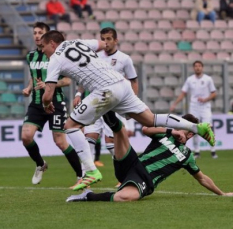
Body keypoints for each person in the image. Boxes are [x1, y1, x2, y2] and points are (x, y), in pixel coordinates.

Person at [40, 30, 215, 191]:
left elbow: (48, 94)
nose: (42, 51)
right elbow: (102, 44)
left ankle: (90, 171)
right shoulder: (77, 42)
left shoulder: (55, 58)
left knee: (70, 125)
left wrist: (46, 103)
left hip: (104, 89)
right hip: (121, 83)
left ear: (53, 44)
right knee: (150, 119)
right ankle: (196, 128)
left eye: (43, 46)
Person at [66, 111, 233, 202]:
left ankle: (87, 196)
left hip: (145, 180)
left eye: (189, 132)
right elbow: (146, 129)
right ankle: (107, 108)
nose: (186, 133)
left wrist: (222, 193)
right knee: (120, 131)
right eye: (185, 128)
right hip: (132, 164)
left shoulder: (187, 156)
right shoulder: (166, 135)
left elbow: (202, 178)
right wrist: (170, 130)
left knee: (123, 197)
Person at [21, 22, 82, 186]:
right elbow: (34, 76)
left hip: (55, 102)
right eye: (34, 32)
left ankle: (80, 175)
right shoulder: (31, 56)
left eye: (40, 32)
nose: (36, 36)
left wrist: (50, 84)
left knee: (60, 142)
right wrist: (28, 87)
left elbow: (67, 81)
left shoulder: (57, 57)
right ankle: (40, 164)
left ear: (48, 36)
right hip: (36, 103)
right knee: (26, 136)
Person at [72, 28, 138, 167]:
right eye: (103, 39)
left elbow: (133, 81)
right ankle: (87, 177)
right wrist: (79, 94)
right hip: (95, 102)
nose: (105, 42)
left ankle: (125, 174)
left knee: (111, 144)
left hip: (115, 105)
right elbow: (86, 77)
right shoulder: (94, 56)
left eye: (108, 39)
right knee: (89, 137)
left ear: (116, 40)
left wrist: (132, 104)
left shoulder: (124, 59)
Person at [170, 60, 218, 159]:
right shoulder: (190, 80)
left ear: (202, 67)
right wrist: (175, 104)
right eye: (196, 66)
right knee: (193, 128)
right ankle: (197, 151)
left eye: (199, 66)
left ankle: (213, 150)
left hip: (205, 107)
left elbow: (214, 93)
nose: (197, 67)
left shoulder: (208, 79)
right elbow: (183, 93)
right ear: (193, 68)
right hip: (194, 107)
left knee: (209, 127)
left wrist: (205, 99)